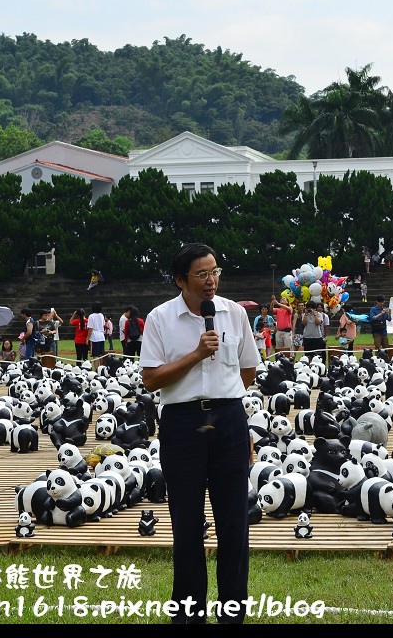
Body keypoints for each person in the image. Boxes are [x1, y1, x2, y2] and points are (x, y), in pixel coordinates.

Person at [138, 242, 258, 625]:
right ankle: (189, 616)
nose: (211, 281)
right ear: (180, 280)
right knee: (186, 524)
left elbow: (248, 371)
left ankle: (232, 616)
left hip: (228, 421)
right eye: (202, 274)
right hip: (182, 424)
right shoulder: (160, 318)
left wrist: (228, 408)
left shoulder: (235, 313)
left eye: (215, 271)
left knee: (234, 525)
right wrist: (195, 355)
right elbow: (151, 379)